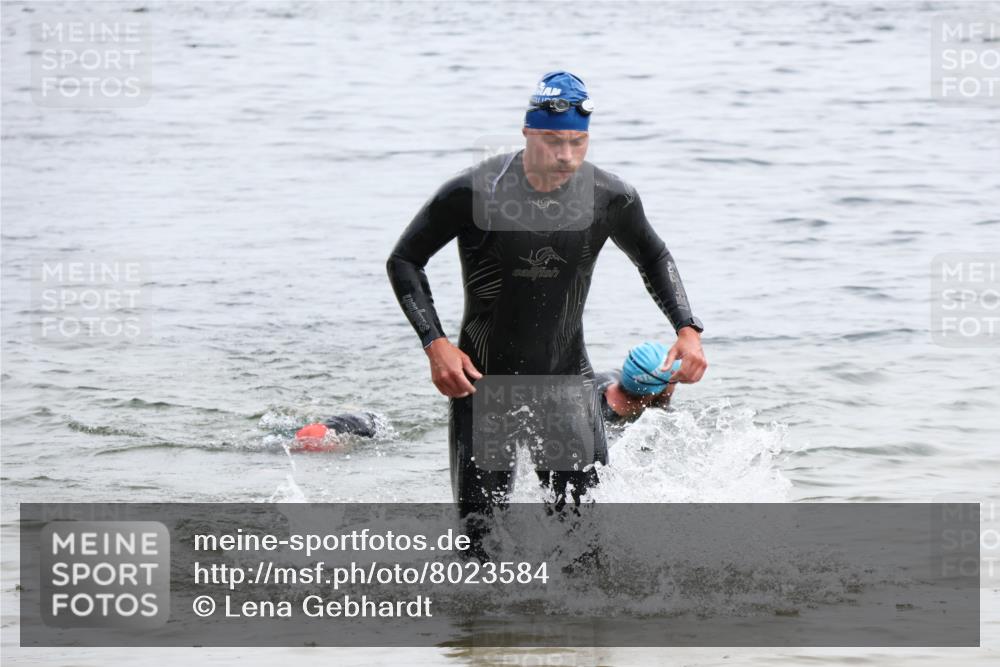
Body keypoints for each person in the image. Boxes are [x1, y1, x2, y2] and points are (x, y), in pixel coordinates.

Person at [385, 71, 707, 516]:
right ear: (527, 133)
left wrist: (687, 329)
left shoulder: (609, 196)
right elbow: (404, 260)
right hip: (481, 385)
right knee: (481, 540)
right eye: (553, 141)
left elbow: (654, 255)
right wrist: (435, 344)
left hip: (566, 383)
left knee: (583, 538)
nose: (566, 156)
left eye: (578, 142)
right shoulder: (475, 190)